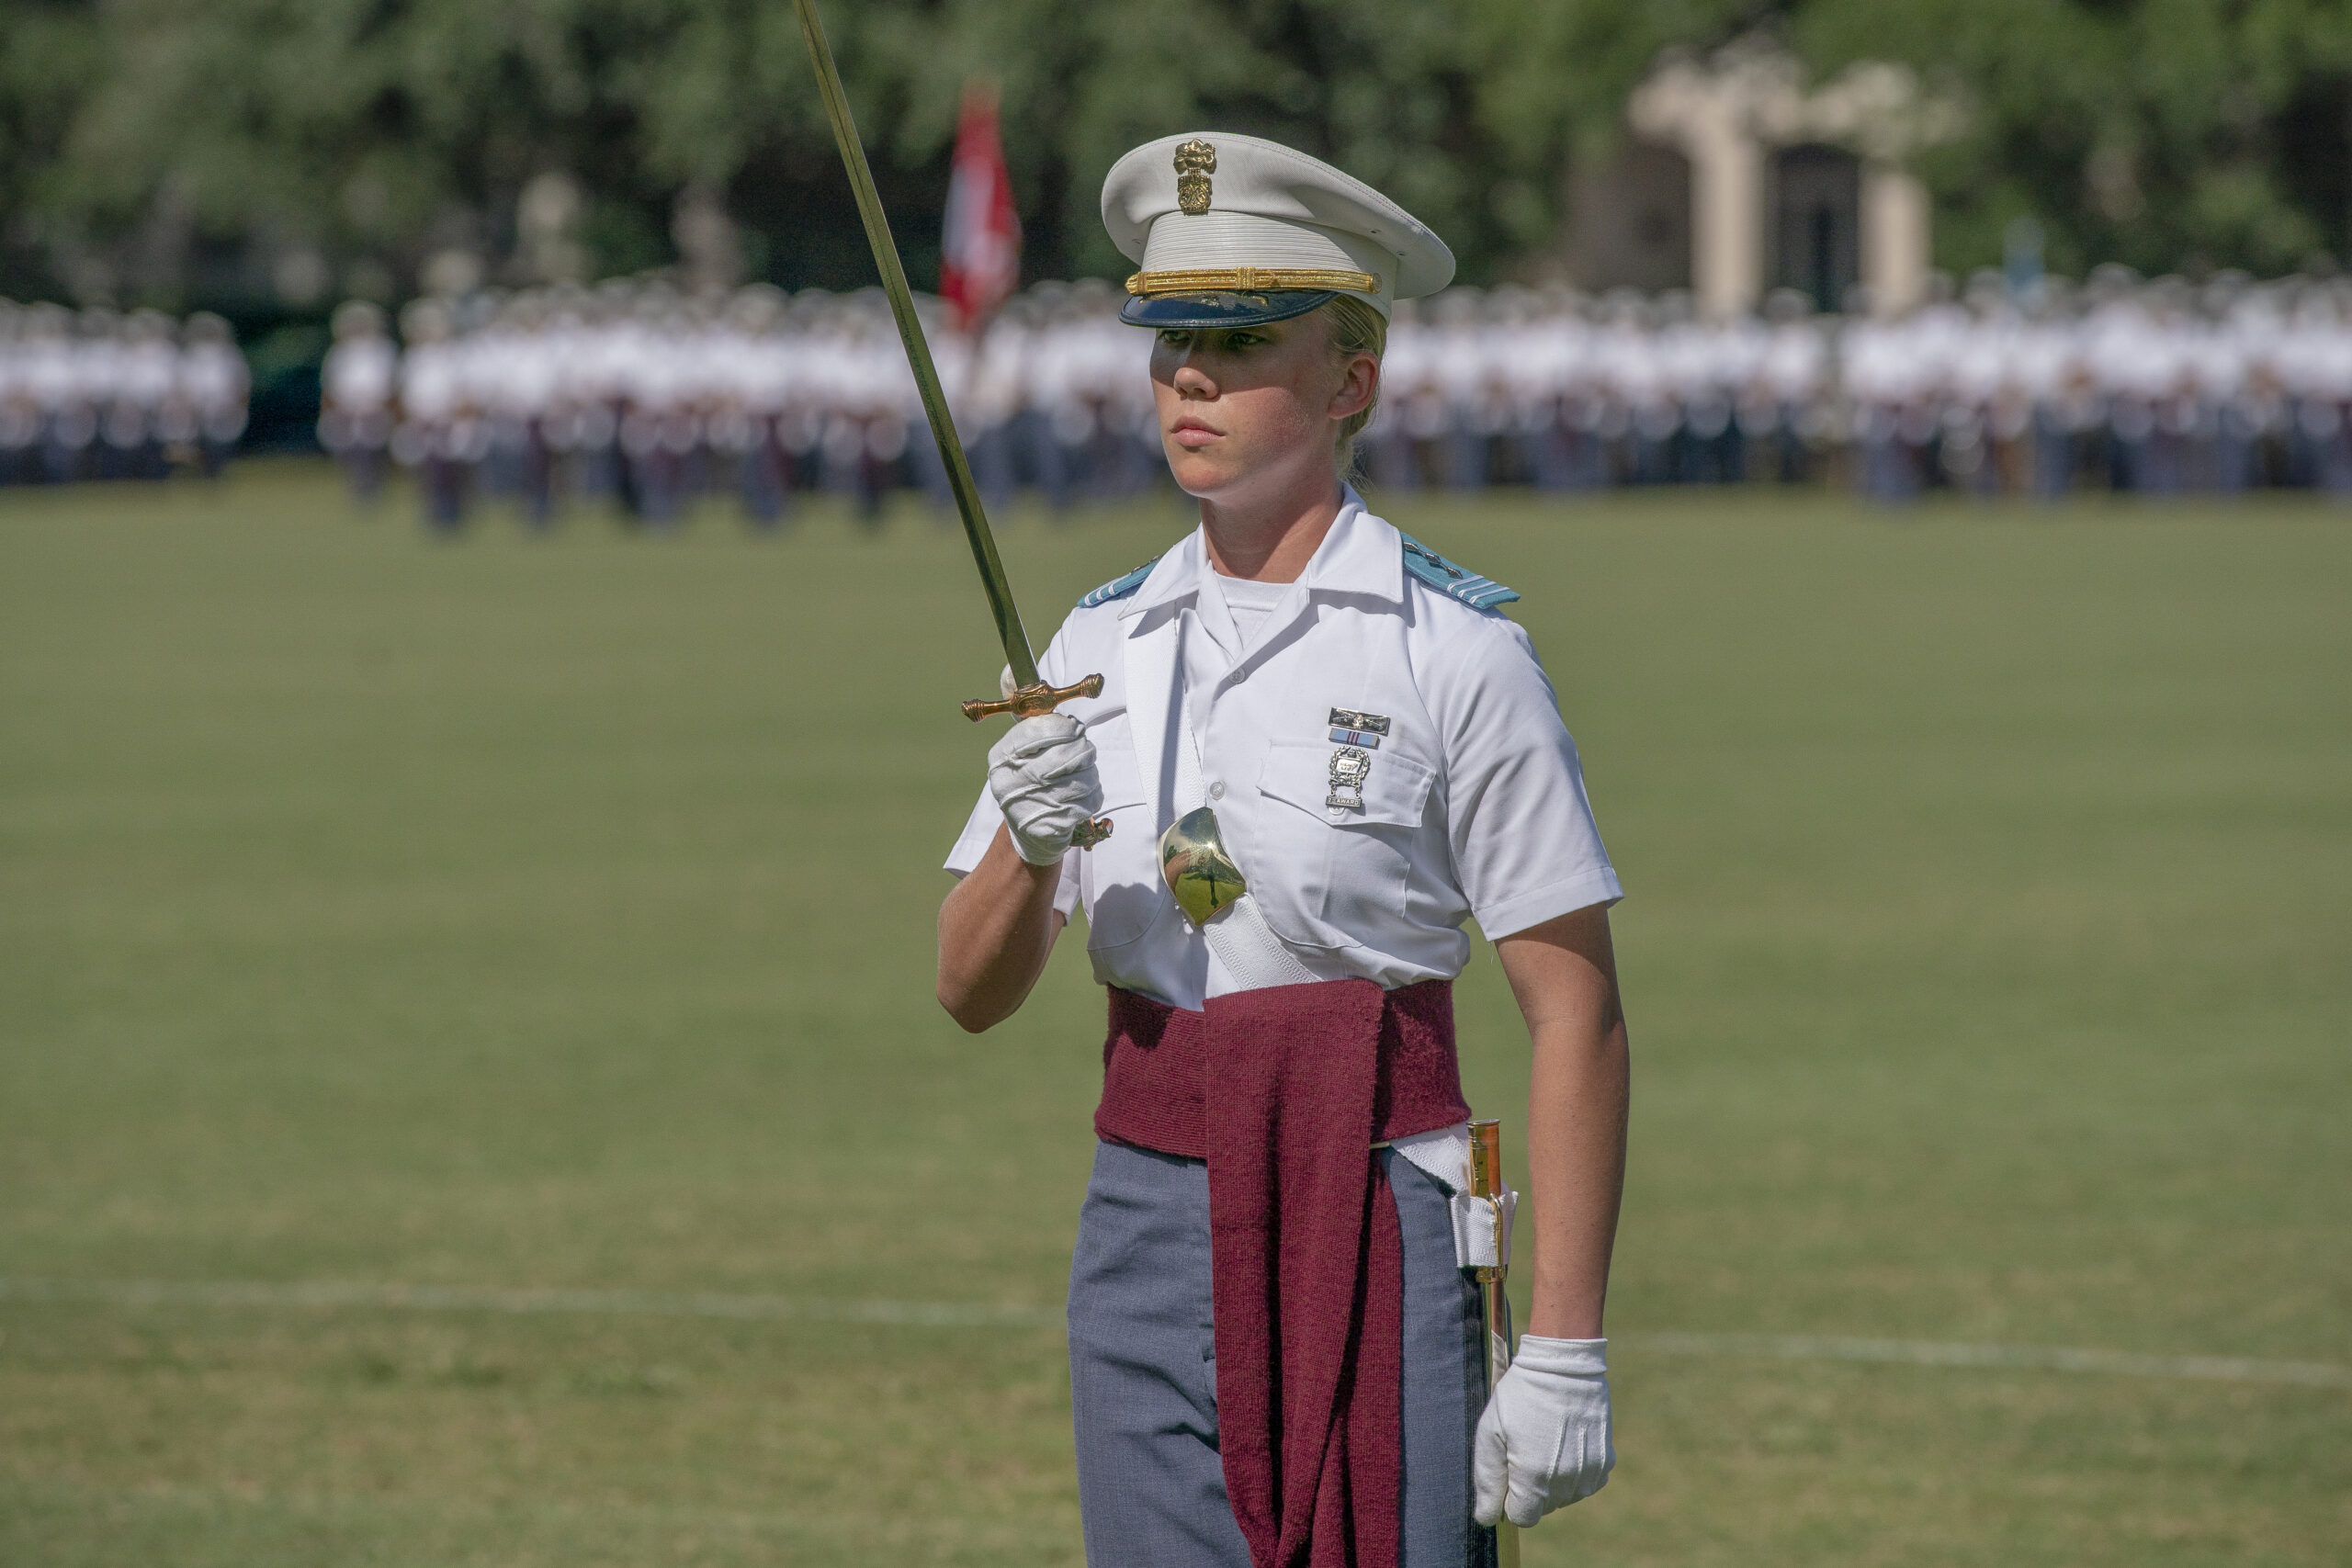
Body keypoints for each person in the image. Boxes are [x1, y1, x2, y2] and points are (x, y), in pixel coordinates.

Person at [937, 133, 1629, 1568]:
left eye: (1243, 338)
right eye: (1171, 341)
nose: (1190, 376)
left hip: (1381, 1190)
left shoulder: (1457, 651)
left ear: (1349, 380)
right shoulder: (1095, 647)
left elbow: (1575, 1010)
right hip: (1148, 1209)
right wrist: (1024, 834)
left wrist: (1563, 1346)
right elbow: (970, 988)